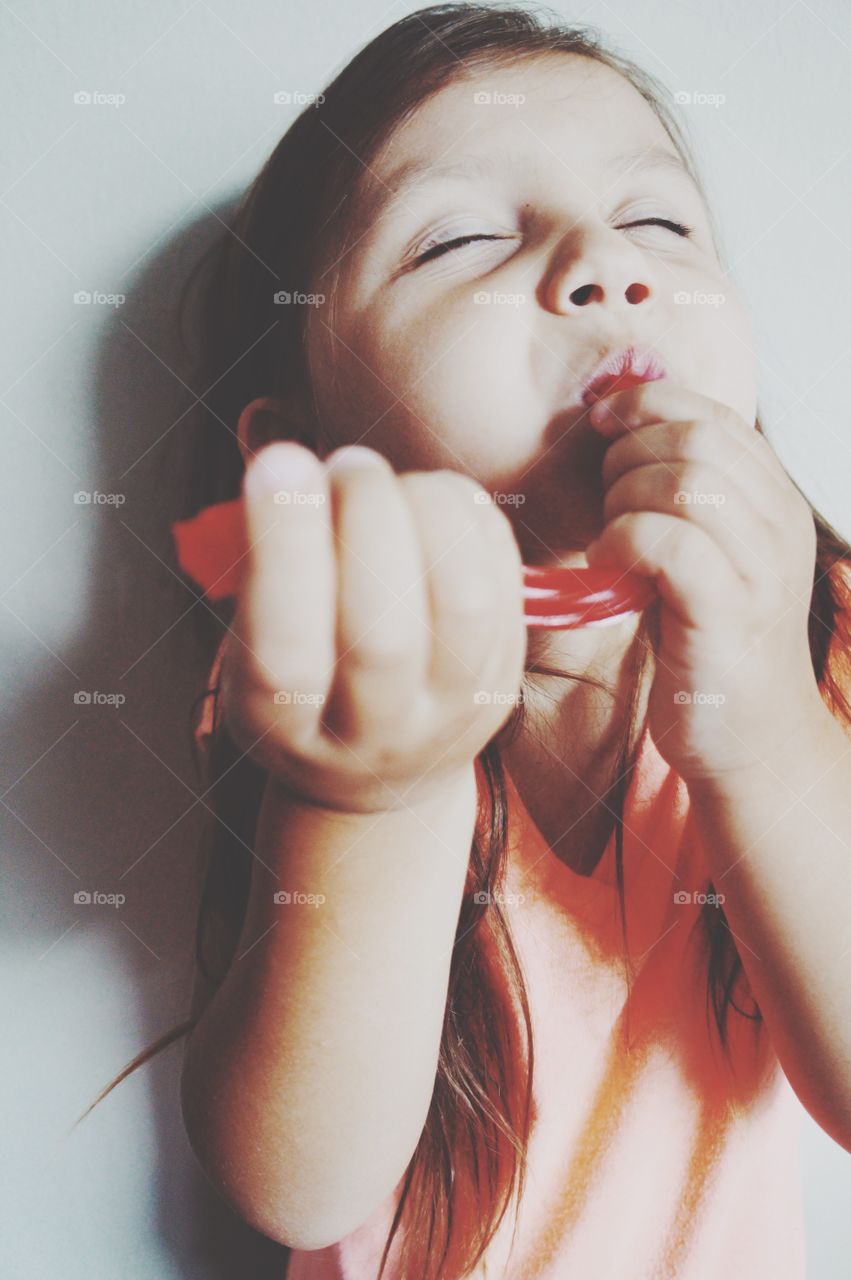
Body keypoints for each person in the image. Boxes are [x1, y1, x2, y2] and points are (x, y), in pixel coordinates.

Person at [75, 6, 851, 1277]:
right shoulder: (322, 677)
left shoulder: (814, 635)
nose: (604, 267)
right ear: (310, 459)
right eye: (463, 237)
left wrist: (762, 725)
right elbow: (293, 1178)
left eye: (655, 221)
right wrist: (372, 792)